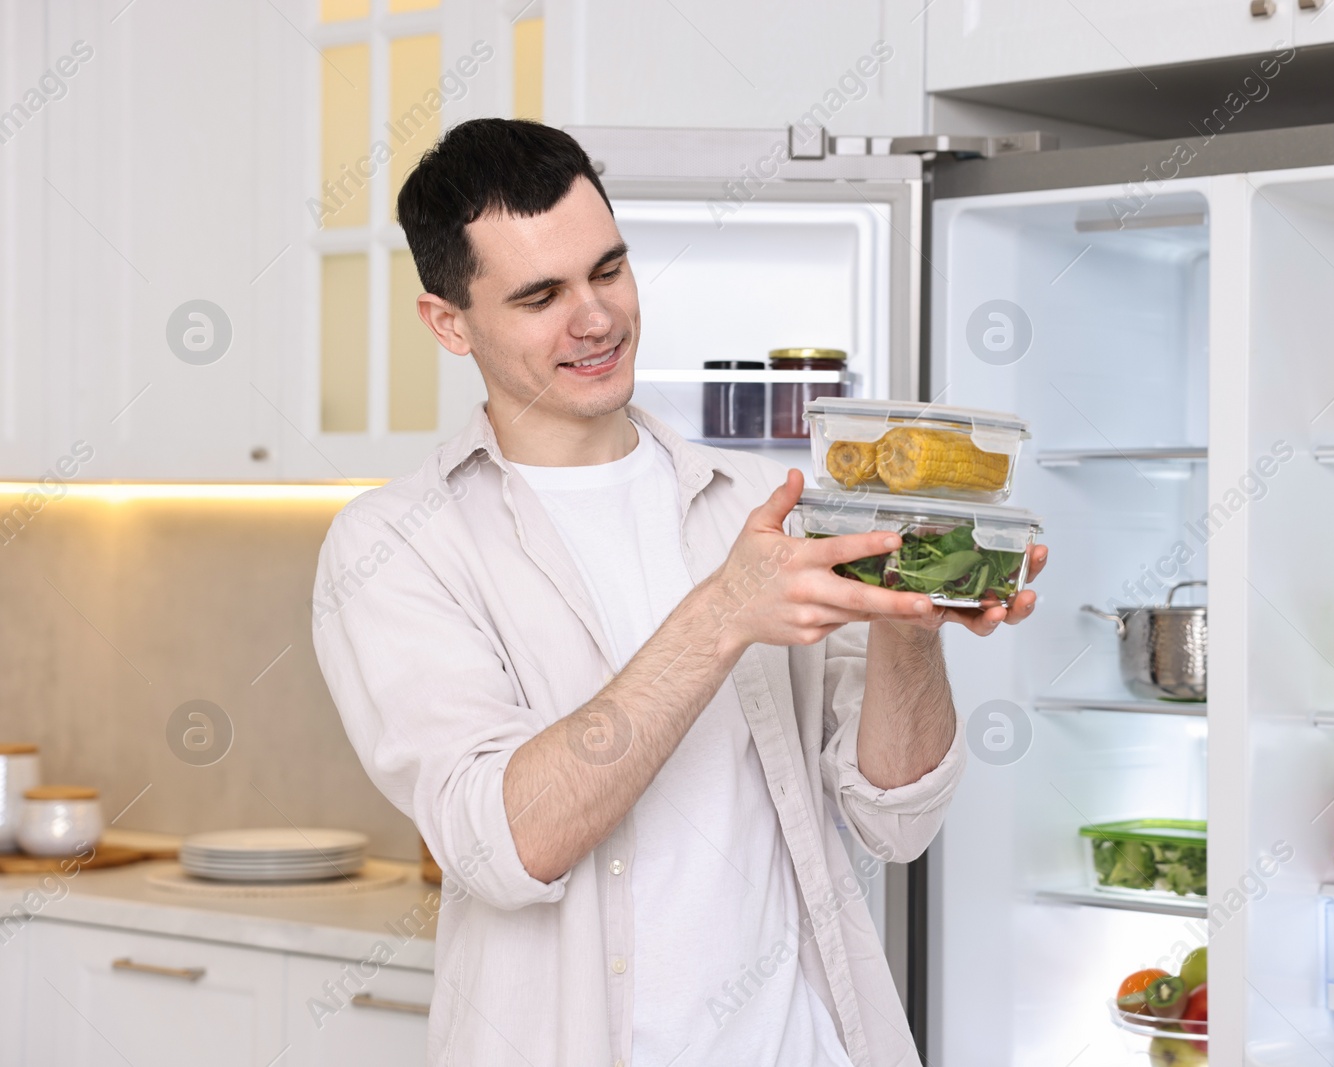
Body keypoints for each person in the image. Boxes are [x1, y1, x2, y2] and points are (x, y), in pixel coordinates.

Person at [311, 118, 1046, 1067]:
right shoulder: (398, 545)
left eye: (607, 271)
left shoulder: (759, 503)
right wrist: (721, 615)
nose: (596, 319)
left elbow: (895, 819)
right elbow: (504, 842)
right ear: (448, 321)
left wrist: (913, 613)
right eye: (540, 295)